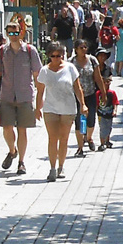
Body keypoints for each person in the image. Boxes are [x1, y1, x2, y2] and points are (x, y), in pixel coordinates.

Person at [0, 16, 42, 176]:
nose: (13, 36)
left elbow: (37, 75)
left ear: (21, 33)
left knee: (22, 130)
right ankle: (12, 151)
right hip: (6, 95)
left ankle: (21, 162)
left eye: (15, 33)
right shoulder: (2, 51)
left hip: (25, 95)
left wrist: (39, 100)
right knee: (6, 128)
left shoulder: (30, 51)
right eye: (10, 33)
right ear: (6, 34)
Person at [35, 43, 84, 182]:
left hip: (68, 108)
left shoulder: (70, 68)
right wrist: (37, 108)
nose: (56, 59)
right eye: (53, 56)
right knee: (52, 138)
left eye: (59, 56)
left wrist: (83, 104)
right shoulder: (44, 70)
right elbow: (40, 91)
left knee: (64, 138)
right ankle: (52, 168)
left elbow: (77, 88)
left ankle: (61, 166)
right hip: (50, 108)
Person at [69, 40, 105, 157]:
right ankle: (80, 147)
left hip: (90, 94)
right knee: (79, 121)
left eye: (85, 47)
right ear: (76, 49)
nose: (84, 49)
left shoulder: (92, 60)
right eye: (81, 47)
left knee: (91, 120)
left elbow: (98, 78)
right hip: (76, 96)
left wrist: (103, 93)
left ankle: (88, 138)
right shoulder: (71, 62)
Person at [94, 47, 117, 150]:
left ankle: (106, 140)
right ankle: (87, 136)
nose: (102, 57)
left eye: (104, 55)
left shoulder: (108, 68)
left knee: (106, 121)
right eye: (100, 55)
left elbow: (110, 78)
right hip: (94, 94)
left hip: (105, 97)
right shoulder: (93, 67)